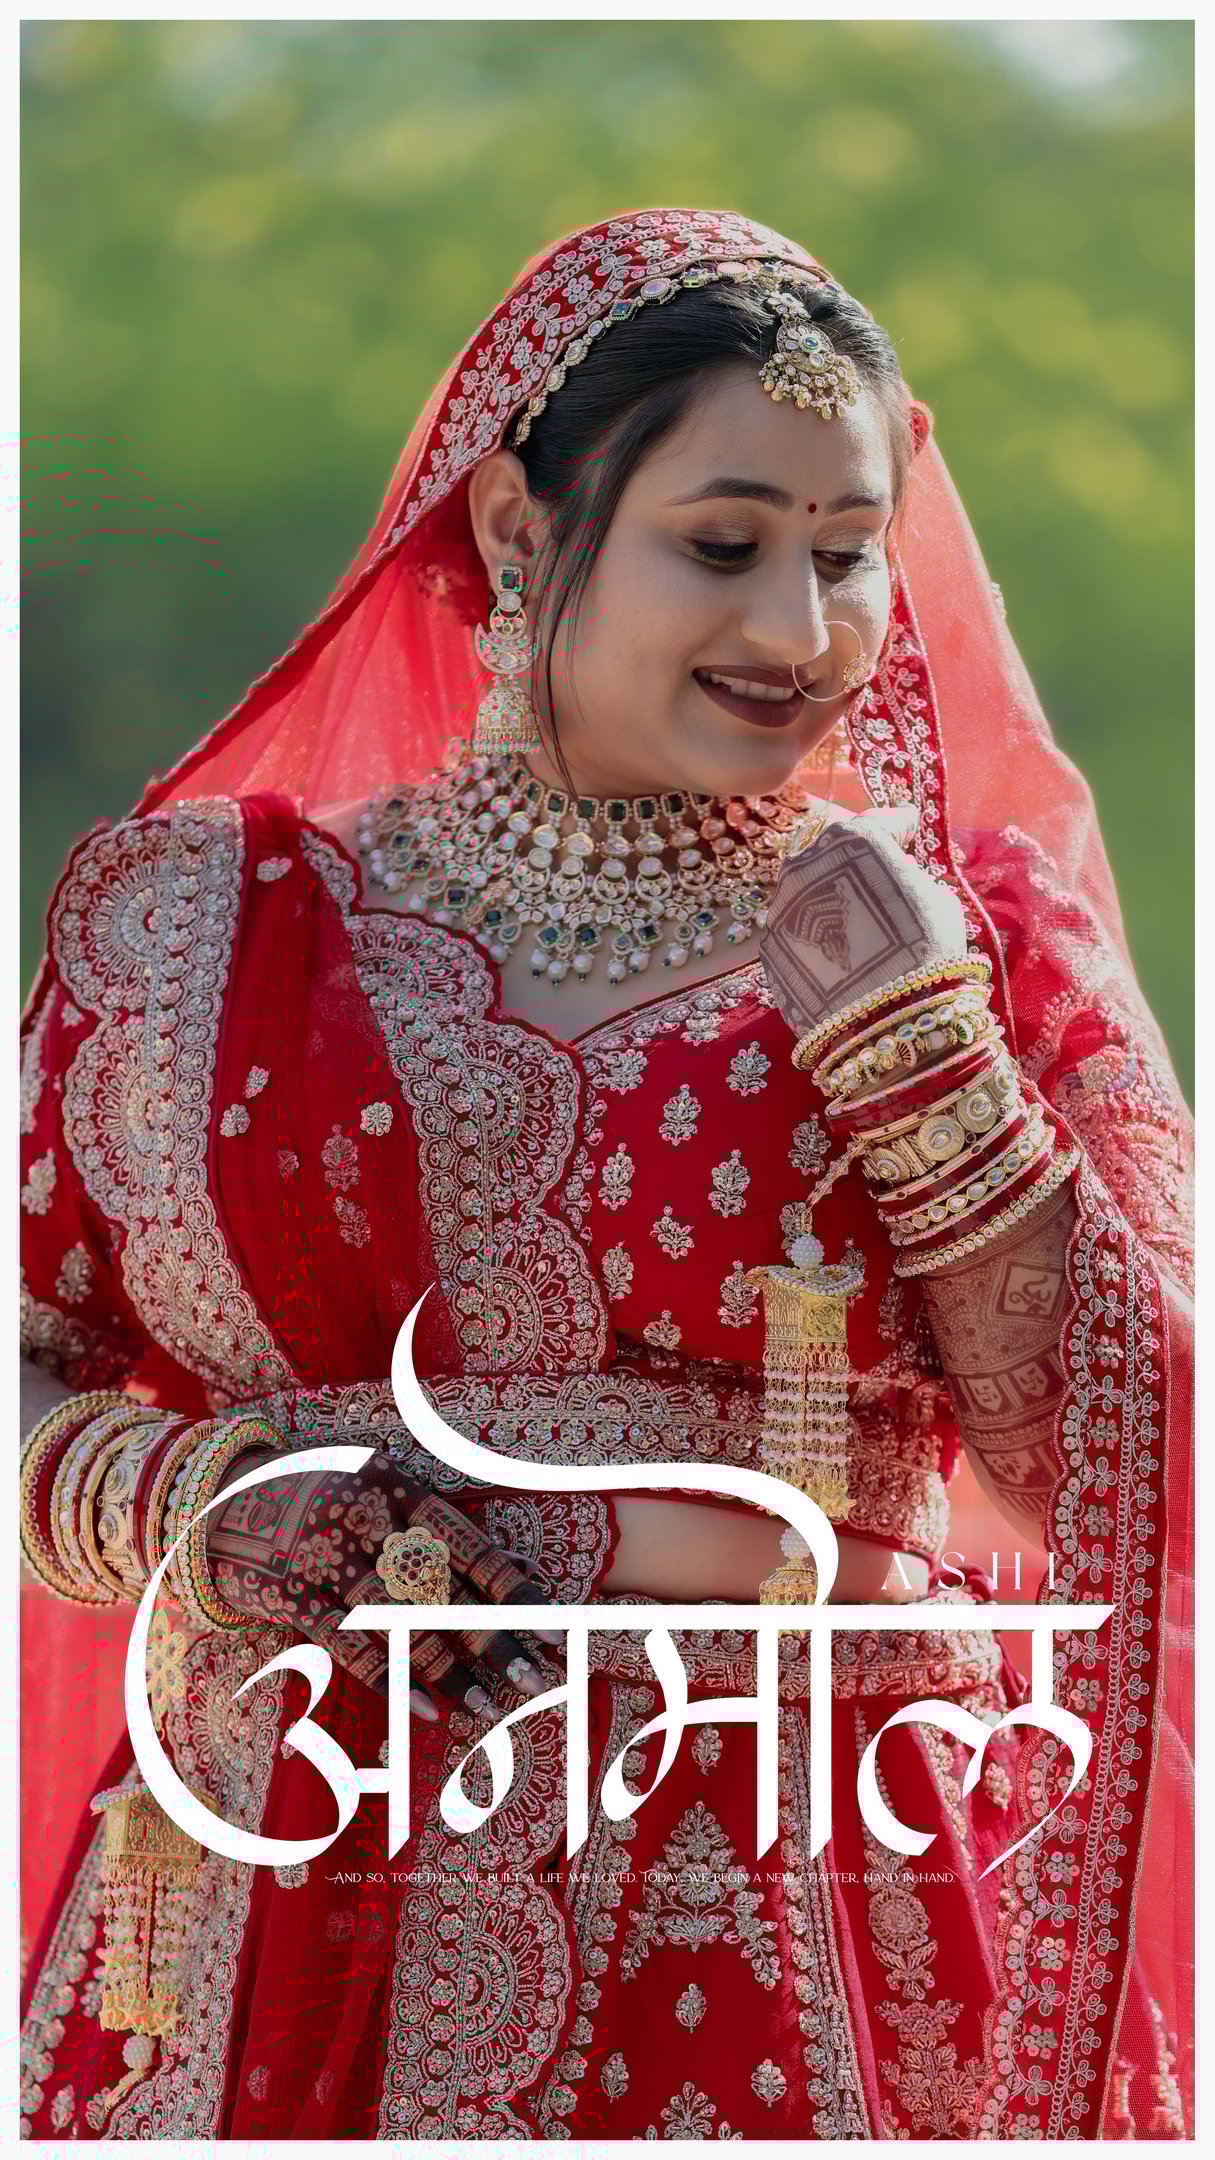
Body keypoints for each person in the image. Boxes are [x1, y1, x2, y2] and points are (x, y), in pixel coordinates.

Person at [18, 207, 1192, 2140]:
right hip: (285, 1886)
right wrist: (241, 1500)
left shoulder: (965, 942)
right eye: (722, 547)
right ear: (509, 532)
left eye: (844, 558)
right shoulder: (209, 940)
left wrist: (924, 1064)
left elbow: (1123, 1474)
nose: (797, 633)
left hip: (804, 1901)